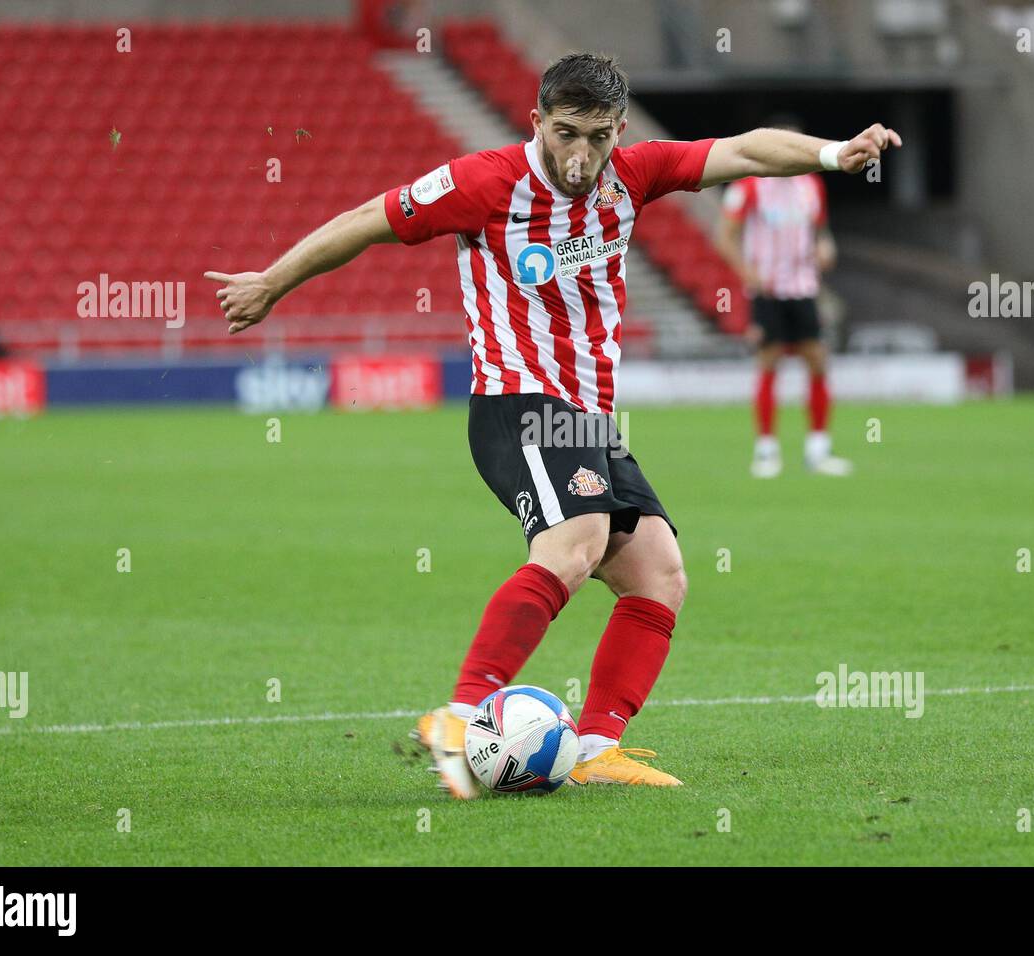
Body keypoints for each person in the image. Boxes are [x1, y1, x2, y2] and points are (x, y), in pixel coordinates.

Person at [205, 53, 900, 798]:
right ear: (536, 121)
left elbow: (744, 150)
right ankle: (462, 714)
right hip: (517, 403)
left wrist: (833, 154)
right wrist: (272, 283)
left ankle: (597, 748)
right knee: (578, 541)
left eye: (597, 137)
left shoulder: (633, 175)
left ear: (618, 131)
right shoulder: (484, 184)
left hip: (588, 421)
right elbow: (367, 222)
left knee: (659, 573)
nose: (580, 155)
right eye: (565, 133)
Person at [714, 114, 852, 478]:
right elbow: (725, 235)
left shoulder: (812, 186)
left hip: (803, 288)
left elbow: (821, 231)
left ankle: (818, 449)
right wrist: (747, 273)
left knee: (817, 360)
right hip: (768, 290)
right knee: (769, 360)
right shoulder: (749, 186)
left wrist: (826, 247)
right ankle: (766, 450)